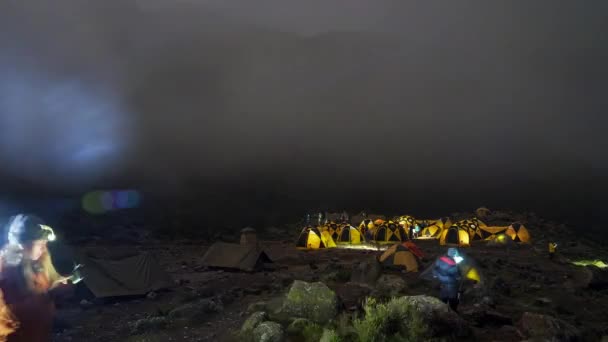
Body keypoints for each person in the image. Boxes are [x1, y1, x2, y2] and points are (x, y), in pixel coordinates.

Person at [0, 214, 74, 342]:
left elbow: (48, 289)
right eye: (40, 243)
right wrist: (46, 296)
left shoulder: (39, 262)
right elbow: (12, 312)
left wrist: (59, 290)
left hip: (39, 334)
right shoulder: (6, 271)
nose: (44, 248)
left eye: (45, 243)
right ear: (22, 244)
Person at [433, 247, 463, 312]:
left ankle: (442, 309)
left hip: (442, 281)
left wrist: (435, 275)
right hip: (451, 283)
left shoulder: (440, 259)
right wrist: (459, 277)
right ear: (454, 255)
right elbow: (456, 275)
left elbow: (435, 269)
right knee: (453, 298)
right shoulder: (452, 264)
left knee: (443, 295)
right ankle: (453, 310)